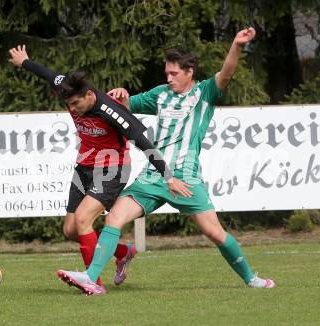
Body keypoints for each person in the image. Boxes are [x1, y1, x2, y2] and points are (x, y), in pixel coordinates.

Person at [57, 27, 275, 295]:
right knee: (114, 218)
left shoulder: (205, 93)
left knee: (215, 233)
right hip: (153, 175)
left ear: (189, 72)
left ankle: (251, 278)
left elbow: (227, 72)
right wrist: (123, 95)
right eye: (167, 74)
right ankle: (91, 278)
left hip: (185, 178)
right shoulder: (160, 94)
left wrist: (237, 45)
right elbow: (125, 106)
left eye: (174, 74)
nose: (169, 78)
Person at [9, 45, 192, 289]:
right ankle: (122, 252)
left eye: (76, 104)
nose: (73, 109)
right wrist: (25, 62)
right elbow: (48, 73)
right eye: (69, 105)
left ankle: (93, 282)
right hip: (84, 165)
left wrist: (168, 177)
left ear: (89, 96)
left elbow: (144, 143)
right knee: (71, 230)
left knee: (84, 219)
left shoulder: (111, 111)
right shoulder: (68, 87)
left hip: (112, 168)